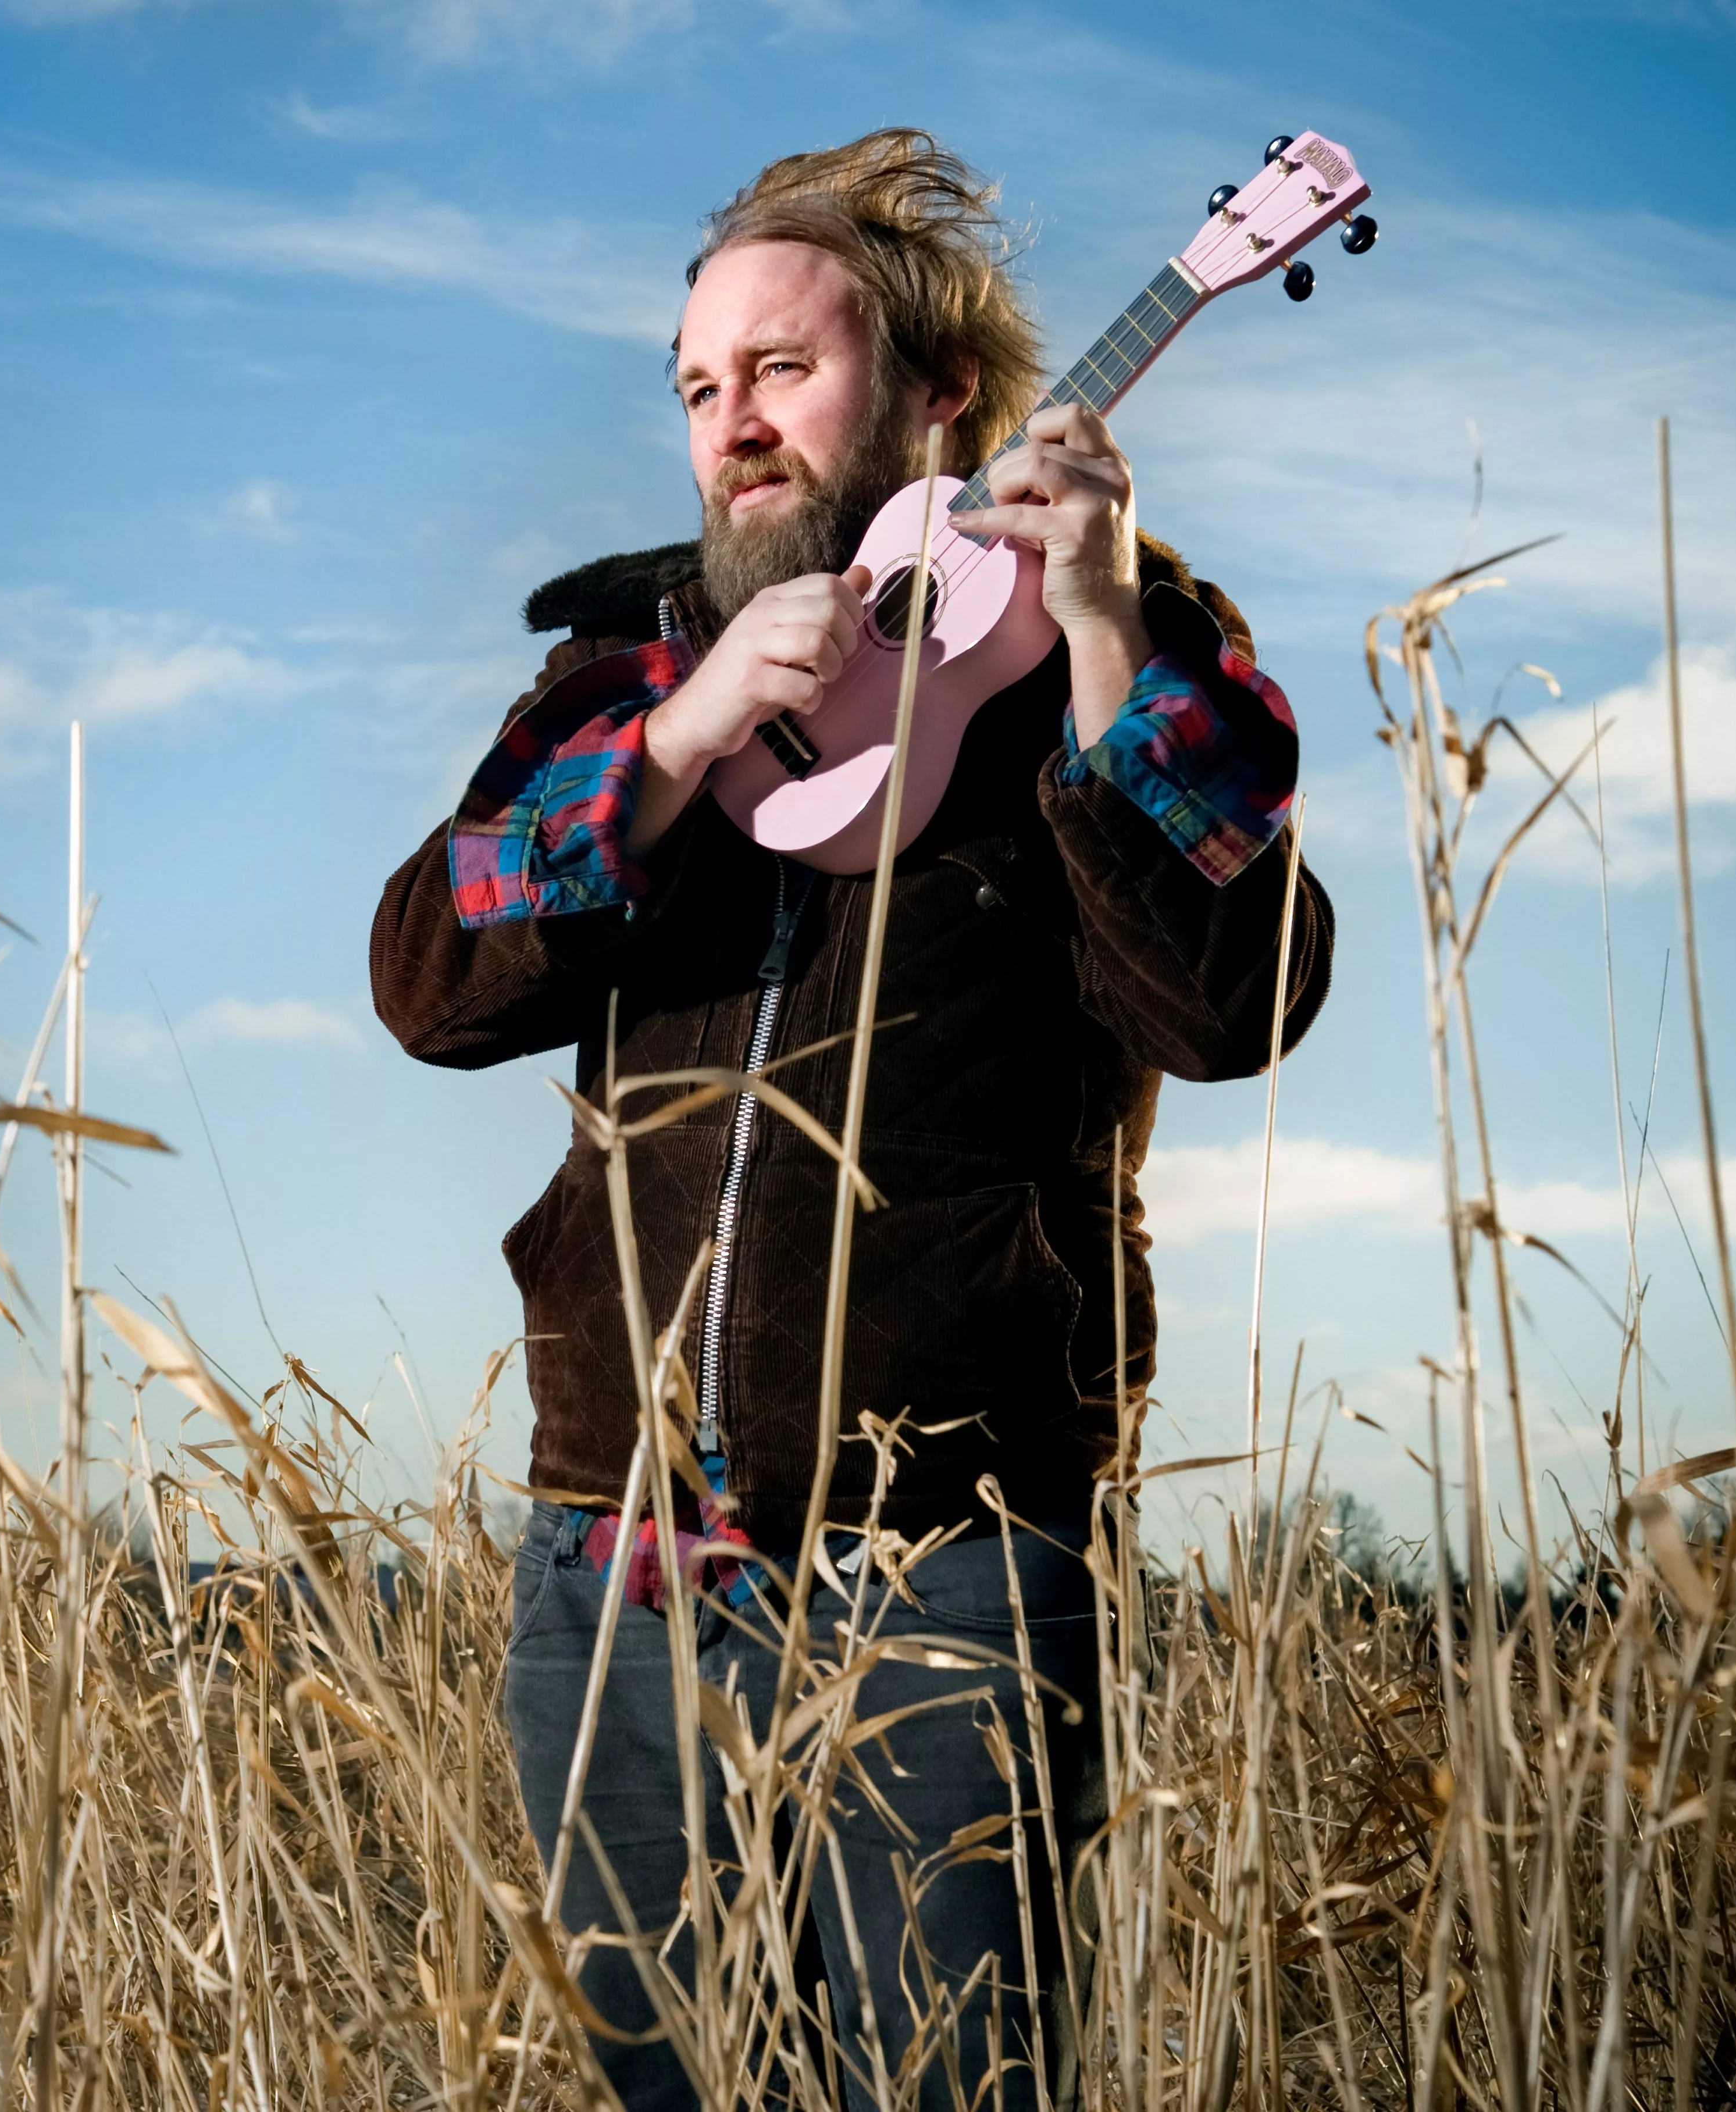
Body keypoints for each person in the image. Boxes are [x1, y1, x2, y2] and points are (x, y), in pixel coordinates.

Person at [368, 131, 1332, 2111]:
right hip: (614, 1550)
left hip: (948, 1556)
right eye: (700, 387)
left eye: (782, 372)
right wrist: (677, 740)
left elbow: (1236, 1001)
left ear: (934, 392)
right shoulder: (620, 666)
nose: (733, 424)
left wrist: (1100, 641)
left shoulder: (1134, 633)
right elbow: (425, 975)